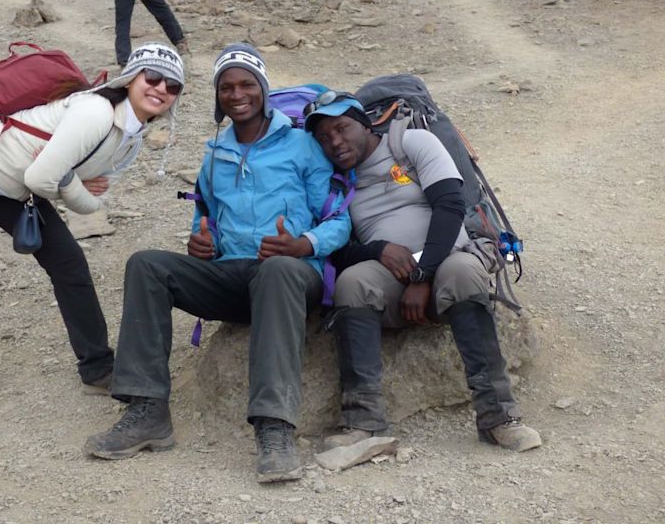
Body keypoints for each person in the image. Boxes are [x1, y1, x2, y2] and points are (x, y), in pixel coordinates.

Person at [84, 43, 351, 483]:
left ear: (263, 89)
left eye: (247, 84)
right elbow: (203, 215)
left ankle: (275, 428)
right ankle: (147, 410)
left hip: (290, 275)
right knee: (146, 264)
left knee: (278, 269)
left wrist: (303, 245)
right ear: (217, 95)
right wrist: (201, 243)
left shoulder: (303, 145)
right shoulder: (216, 152)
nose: (237, 93)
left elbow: (340, 218)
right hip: (231, 275)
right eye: (226, 86)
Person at [0, 43, 185, 448]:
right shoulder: (95, 113)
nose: (160, 88)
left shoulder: (130, 136)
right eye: (152, 77)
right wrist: (76, 189)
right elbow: (45, 180)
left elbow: (71, 185)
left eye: (172, 84)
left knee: (69, 265)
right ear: (132, 78)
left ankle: (98, 369)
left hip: (13, 186)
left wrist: (66, 181)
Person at [304, 92, 542, 453]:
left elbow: (449, 206)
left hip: (447, 261)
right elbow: (336, 248)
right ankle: (363, 421)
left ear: (364, 124)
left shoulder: (411, 142)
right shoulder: (334, 180)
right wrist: (377, 249)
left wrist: (423, 276)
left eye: (341, 128)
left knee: (462, 272)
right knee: (353, 283)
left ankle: (498, 416)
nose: (334, 141)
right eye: (323, 137)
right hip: (390, 280)